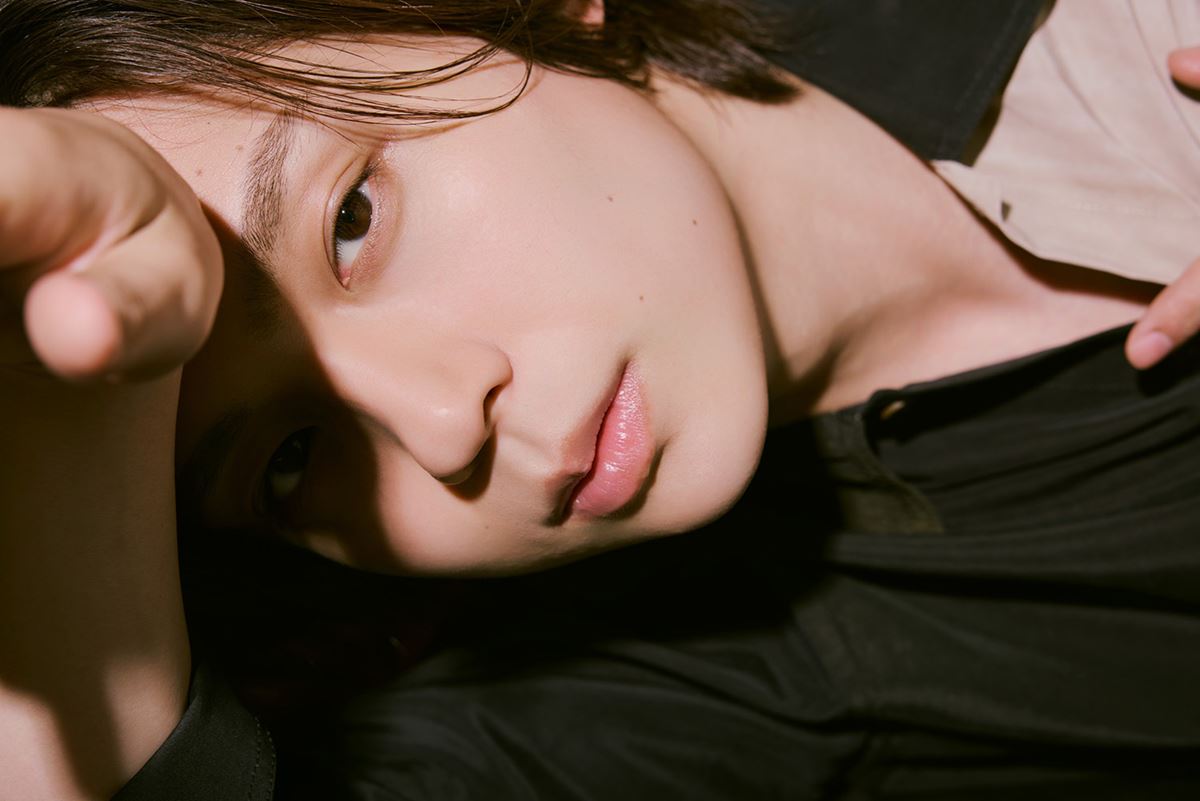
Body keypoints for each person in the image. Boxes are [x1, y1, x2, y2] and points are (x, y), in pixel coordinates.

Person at [3, 1, 1200, 799]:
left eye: (352, 220)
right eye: (289, 460)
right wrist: (62, 415)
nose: (441, 426)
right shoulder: (716, 685)